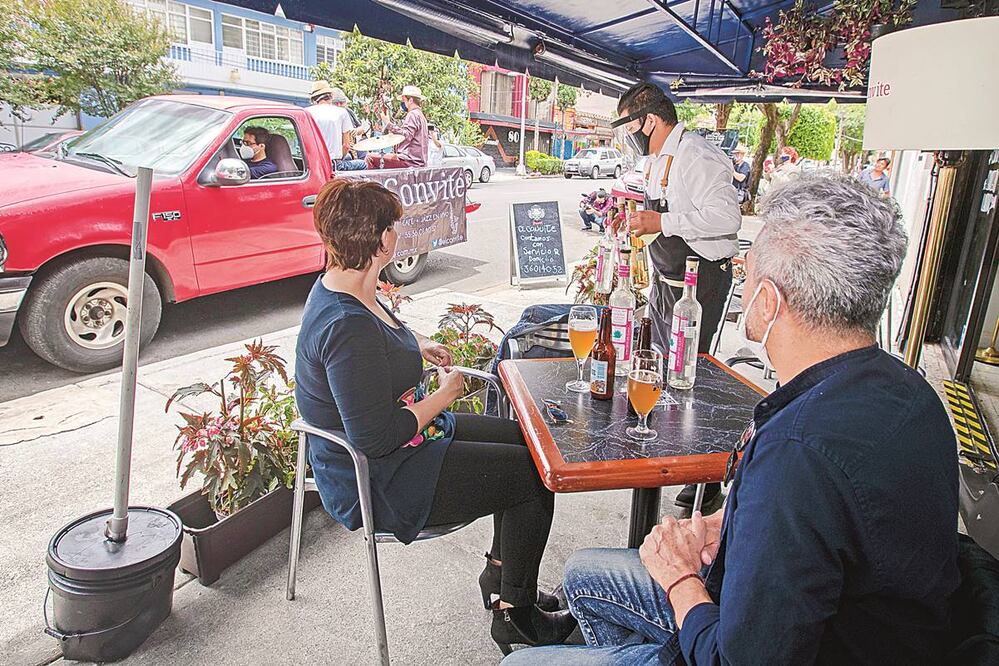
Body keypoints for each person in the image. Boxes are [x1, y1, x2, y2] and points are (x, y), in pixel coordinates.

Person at [502, 175, 959, 666]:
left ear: (767, 302)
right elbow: (828, 526)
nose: (740, 264)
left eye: (749, 260)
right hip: (856, 623)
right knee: (582, 573)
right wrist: (727, 521)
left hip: (755, 643)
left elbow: (736, 658)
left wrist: (679, 578)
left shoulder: (797, 455)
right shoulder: (914, 394)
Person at [294, 179, 576, 654]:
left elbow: (372, 350)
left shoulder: (348, 283)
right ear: (382, 239)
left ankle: (503, 575)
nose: (399, 235)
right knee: (536, 476)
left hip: (404, 445)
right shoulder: (345, 324)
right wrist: (445, 395)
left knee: (529, 440)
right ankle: (516, 616)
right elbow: (376, 436)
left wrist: (415, 345)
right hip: (376, 478)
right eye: (395, 227)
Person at [611, 82, 741, 510]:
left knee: (694, 376)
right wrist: (636, 221)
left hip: (699, 281)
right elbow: (660, 212)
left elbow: (727, 216)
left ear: (648, 120)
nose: (628, 135)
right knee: (657, 364)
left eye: (629, 125)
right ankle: (665, 450)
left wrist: (662, 222)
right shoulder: (656, 160)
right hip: (665, 278)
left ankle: (706, 481)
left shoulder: (697, 156)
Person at [306, 81, 367, 172]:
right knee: (363, 164)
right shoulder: (341, 112)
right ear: (330, 97)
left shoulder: (306, 112)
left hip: (313, 164)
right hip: (333, 164)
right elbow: (346, 145)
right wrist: (340, 159)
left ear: (314, 99)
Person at [366, 84, 429, 169]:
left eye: (404, 100)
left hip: (410, 161)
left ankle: (374, 182)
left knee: (370, 157)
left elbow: (406, 135)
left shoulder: (412, 114)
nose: (402, 103)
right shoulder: (421, 115)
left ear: (410, 100)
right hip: (418, 161)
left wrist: (388, 123)